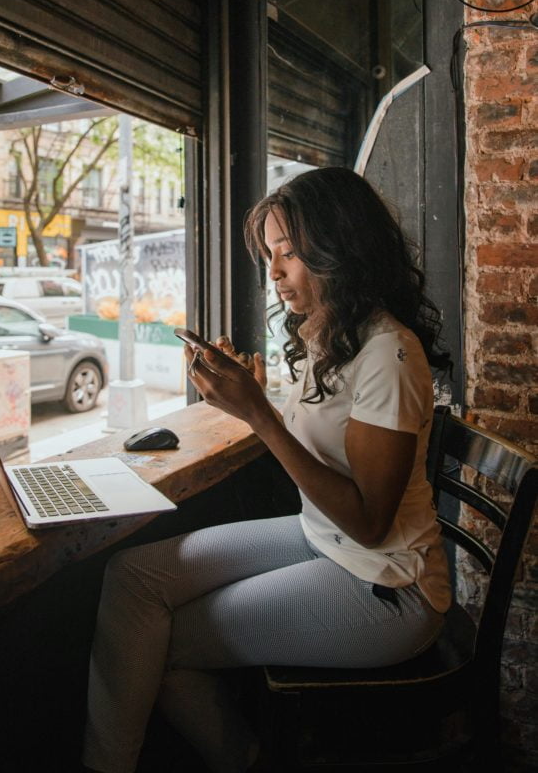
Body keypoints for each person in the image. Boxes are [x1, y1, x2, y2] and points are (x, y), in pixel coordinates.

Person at [82, 166, 452, 773]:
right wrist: (252, 396)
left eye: (289, 254)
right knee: (135, 576)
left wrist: (259, 416)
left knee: (154, 647)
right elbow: (323, 439)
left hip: (385, 586)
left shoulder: (388, 353)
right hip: (322, 540)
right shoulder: (332, 336)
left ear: (340, 249)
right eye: (270, 255)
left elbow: (368, 522)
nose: (274, 271)